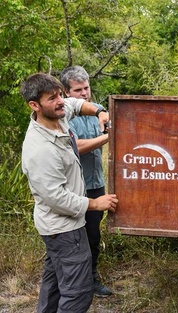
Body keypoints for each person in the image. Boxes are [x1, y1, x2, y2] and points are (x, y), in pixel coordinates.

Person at [20, 72, 119, 313]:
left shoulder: (57, 118)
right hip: (63, 229)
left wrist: (99, 112)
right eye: (51, 98)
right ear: (34, 105)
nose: (60, 101)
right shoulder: (40, 149)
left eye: (59, 95)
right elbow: (55, 198)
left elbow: (74, 103)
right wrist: (95, 204)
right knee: (78, 293)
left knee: (54, 285)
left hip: (58, 229)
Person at [60, 66, 112, 297]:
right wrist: (107, 137)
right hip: (74, 186)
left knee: (93, 233)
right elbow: (77, 147)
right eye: (78, 89)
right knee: (72, 236)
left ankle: (90, 279)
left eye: (86, 88)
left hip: (95, 182)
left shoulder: (96, 111)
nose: (84, 93)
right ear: (66, 92)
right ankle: (71, 282)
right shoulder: (64, 115)